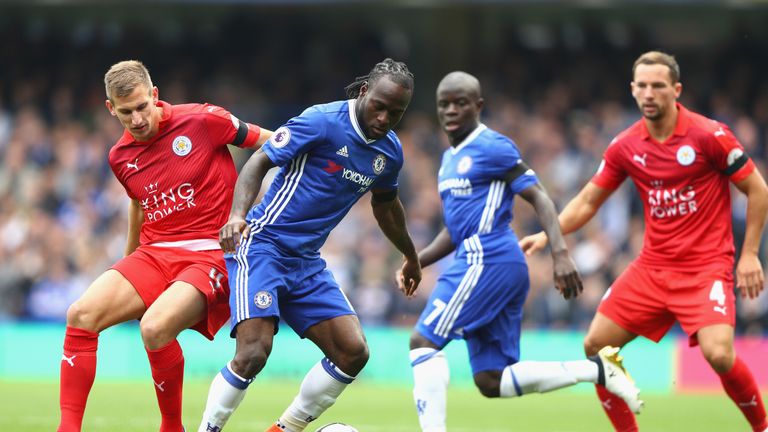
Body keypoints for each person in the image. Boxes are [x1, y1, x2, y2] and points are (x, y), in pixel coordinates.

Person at [521, 51, 768, 432]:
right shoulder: (625, 145)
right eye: (643, 86)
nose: (649, 93)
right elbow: (588, 200)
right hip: (652, 269)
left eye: (658, 85)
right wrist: (545, 233)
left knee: (719, 355)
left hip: (705, 269)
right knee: (596, 346)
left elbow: (758, 190)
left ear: (676, 90)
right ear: (633, 91)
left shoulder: (709, 135)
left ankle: (762, 426)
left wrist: (750, 254)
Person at [404, 71, 643, 432]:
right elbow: (454, 230)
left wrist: (560, 253)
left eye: (460, 103)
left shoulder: (493, 146)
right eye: (444, 104)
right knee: (491, 380)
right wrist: (416, 261)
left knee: (423, 341)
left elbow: (539, 196)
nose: (451, 110)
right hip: (488, 260)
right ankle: (596, 370)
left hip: (487, 258)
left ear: (478, 106)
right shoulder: (449, 160)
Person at [197, 58, 422, 432]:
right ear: (364, 91)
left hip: (306, 262)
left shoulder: (389, 153)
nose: (384, 118)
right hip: (263, 245)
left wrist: (411, 256)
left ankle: (284, 429)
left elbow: (386, 208)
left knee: (353, 352)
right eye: (379, 106)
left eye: (395, 113)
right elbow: (259, 161)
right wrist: (238, 214)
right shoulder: (322, 120)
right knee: (254, 352)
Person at [58, 60, 272, 432]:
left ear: (155, 96)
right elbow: (139, 206)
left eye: (142, 107)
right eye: (126, 112)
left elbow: (274, 143)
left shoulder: (204, 120)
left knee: (155, 328)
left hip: (210, 252)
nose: (137, 119)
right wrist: (127, 267)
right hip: (155, 253)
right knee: (80, 315)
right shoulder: (119, 157)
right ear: (111, 109)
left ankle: (171, 426)